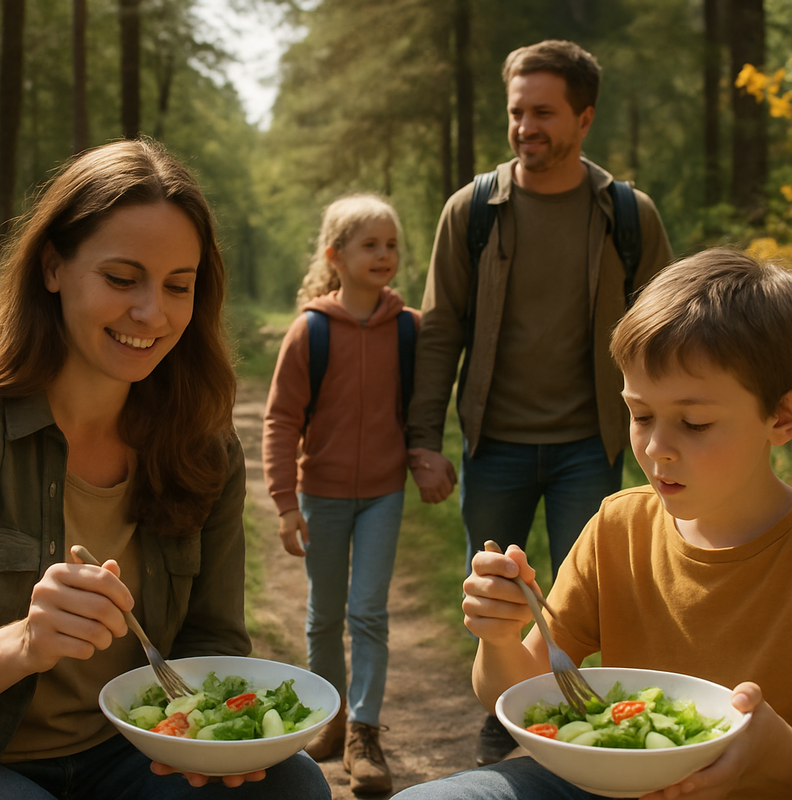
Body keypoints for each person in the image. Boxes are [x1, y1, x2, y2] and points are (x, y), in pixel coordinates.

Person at [0, 139, 330, 800]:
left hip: (133, 751)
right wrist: (24, 642)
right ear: (53, 267)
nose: (153, 313)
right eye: (122, 279)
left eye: (179, 285)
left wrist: (215, 738)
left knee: (292, 785)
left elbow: (210, 639)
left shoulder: (202, 447)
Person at [392, 247, 792, 800]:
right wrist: (500, 636)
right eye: (641, 414)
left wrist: (774, 754)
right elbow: (519, 690)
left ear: (781, 416)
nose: (656, 448)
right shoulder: (619, 528)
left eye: (695, 423)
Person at [405, 39, 673, 765]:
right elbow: (439, 333)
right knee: (495, 598)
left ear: (584, 119)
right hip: (494, 443)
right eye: (517, 111)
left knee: (592, 600)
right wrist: (424, 441)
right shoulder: (472, 212)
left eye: (544, 113)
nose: (526, 127)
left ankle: (582, 732)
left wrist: (664, 440)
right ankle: (501, 720)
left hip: (594, 441)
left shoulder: (627, 215)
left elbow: (669, 341)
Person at [262, 194, 419, 795]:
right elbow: (280, 421)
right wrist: (283, 501)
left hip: (384, 491)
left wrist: (425, 456)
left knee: (368, 611)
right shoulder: (310, 332)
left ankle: (364, 732)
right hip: (320, 495)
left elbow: (421, 410)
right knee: (324, 614)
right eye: (370, 245)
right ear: (336, 255)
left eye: (392, 245)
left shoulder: (409, 328)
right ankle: (327, 718)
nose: (384, 255)